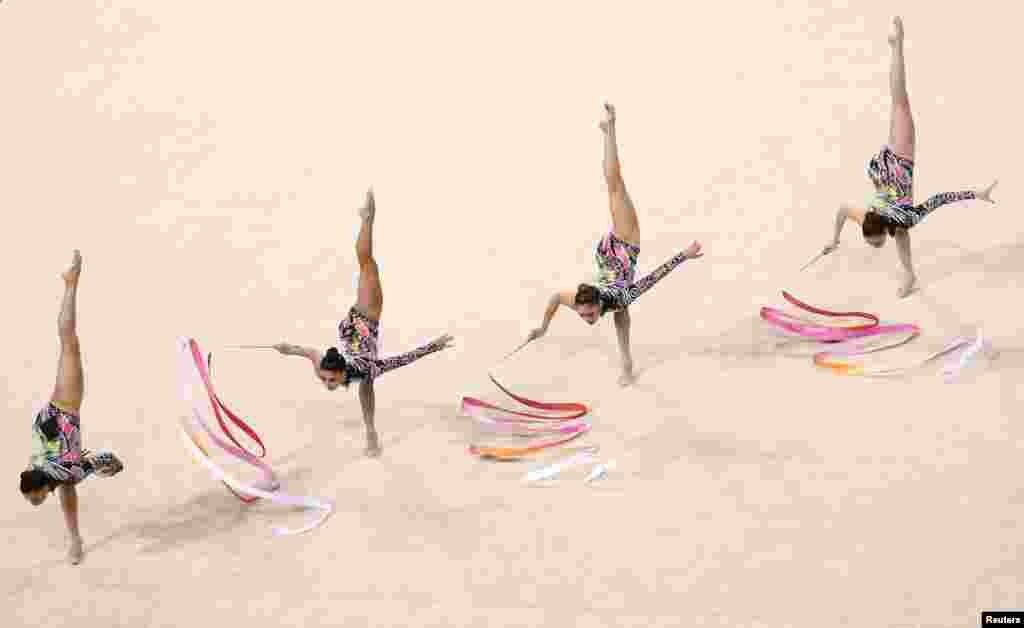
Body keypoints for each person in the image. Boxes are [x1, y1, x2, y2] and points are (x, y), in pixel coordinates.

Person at [525, 103, 704, 386]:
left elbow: (655, 277)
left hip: (624, 241)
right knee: (622, 317)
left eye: (590, 313)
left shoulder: (620, 298)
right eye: (585, 314)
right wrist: (542, 327)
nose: (587, 318)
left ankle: (611, 128)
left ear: (596, 302)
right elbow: (556, 298)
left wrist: (684, 255)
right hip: (609, 258)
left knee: (614, 183)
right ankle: (627, 364)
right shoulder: (585, 300)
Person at [821, 17, 997, 297]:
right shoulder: (881, 218)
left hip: (899, 152)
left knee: (899, 97)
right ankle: (910, 275)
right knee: (902, 234)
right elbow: (843, 210)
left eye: (876, 242)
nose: (876, 246)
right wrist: (834, 239)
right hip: (896, 156)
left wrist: (977, 193)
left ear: (877, 225)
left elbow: (939, 199)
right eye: (875, 242)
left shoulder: (899, 217)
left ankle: (897, 44)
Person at [274, 189, 455, 457]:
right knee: (366, 264)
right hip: (363, 320)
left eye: (328, 380)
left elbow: (312, 353)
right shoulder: (348, 369)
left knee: (367, 262)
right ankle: (371, 433)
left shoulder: (358, 368)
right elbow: (313, 354)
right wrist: (289, 349)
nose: (326, 383)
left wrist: (291, 349)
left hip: (364, 313)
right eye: (327, 379)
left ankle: (368, 218)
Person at [19, 250, 124, 565]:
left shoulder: (68, 471)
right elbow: (85, 463)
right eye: (32, 498)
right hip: (53, 419)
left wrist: (111, 464)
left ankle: (70, 283)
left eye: (32, 498)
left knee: (68, 341)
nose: (33, 502)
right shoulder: (47, 468)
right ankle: (75, 539)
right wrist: (105, 463)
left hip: (64, 404)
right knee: (67, 489)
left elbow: (99, 461)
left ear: (40, 486)